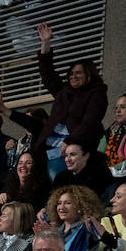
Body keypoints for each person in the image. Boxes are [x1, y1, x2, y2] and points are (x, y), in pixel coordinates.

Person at [34, 23, 108, 171]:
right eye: (71, 73)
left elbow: (89, 122)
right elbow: (47, 74)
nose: (73, 76)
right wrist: (45, 43)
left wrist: (69, 142)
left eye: (78, 73)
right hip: (48, 148)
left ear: (89, 74)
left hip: (72, 150)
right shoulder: (64, 91)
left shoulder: (97, 93)